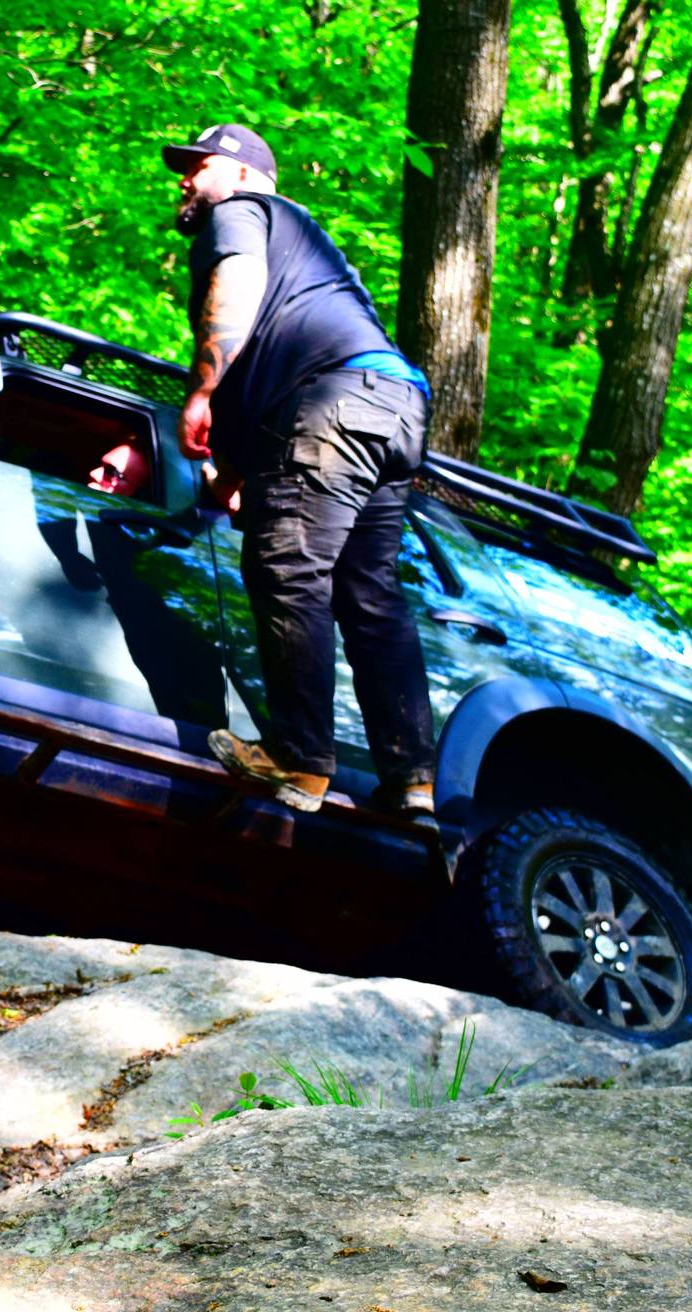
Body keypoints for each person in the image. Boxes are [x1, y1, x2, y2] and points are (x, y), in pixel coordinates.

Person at [163, 122, 437, 821]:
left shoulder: (243, 211)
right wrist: (233, 472)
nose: (186, 179)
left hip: (336, 400)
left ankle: (298, 757)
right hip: (393, 405)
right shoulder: (309, 258)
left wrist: (200, 391)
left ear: (244, 174)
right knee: (368, 593)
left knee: (286, 564)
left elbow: (238, 283)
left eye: (199, 165)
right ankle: (413, 779)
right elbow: (269, 378)